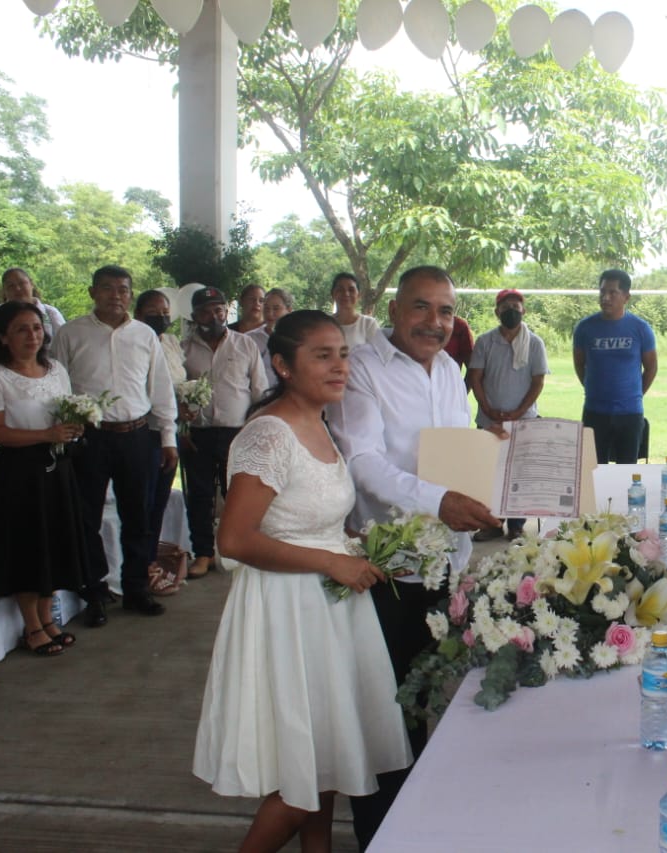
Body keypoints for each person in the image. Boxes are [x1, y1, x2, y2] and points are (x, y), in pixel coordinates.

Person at [193, 310, 412, 852]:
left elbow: (311, 518)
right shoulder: (269, 435)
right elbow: (234, 540)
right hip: (286, 610)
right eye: (322, 356)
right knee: (300, 776)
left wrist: (360, 547)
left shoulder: (321, 422)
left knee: (325, 761)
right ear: (283, 365)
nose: (340, 367)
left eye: (343, 354)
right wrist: (330, 562)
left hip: (328, 609)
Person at [328, 265, 499, 849]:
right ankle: (379, 836)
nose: (435, 321)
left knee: (425, 693)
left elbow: (457, 452)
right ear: (395, 311)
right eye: (422, 307)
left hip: (445, 562)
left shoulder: (449, 369)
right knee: (384, 708)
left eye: (446, 310)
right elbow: (363, 463)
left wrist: (495, 467)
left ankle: (418, 824)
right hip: (386, 567)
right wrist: (438, 500)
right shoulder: (362, 369)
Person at [52, 265, 177, 626]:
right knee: (87, 518)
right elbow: (57, 385)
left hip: (136, 436)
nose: (116, 296)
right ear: (93, 292)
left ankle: (136, 588)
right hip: (89, 438)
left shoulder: (144, 335)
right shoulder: (70, 333)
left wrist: (167, 437)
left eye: (123, 289)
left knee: (138, 516)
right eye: (107, 288)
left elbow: (160, 388)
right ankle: (94, 593)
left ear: (130, 295)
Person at [0, 302, 88, 656]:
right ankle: (31, 626)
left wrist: (74, 427)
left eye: (36, 327)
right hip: (19, 473)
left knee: (54, 542)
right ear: (3, 337)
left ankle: (48, 619)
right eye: (21, 329)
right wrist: (46, 435)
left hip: (57, 467)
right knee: (28, 547)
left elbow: (67, 409)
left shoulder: (56, 369)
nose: (32, 335)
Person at [179, 287, 268, 579]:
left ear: (226, 311)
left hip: (237, 433)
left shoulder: (245, 344)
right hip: (198, 434)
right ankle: (203, 554)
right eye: (206, 312)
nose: (214, 316)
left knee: (240, 496)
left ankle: (243, 551)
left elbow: (260, 391)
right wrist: (181, 415)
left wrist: (256, 429)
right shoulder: (183, 349)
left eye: (218, 310)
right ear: (194, 316)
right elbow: (173, 391)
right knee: (200, 497)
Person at [467, 288, 550, 541]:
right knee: (489, 475)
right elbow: (475, 377)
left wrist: (518, 412)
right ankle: (491, 524)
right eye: (505, 307)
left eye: (515, 307)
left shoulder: (534, 343)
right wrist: (488, 409)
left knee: (519, 476)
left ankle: (516, 526)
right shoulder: (485, 342)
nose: (511, 311)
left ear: (524, 310)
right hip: (489, 421)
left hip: (524, 421)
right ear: (497, 312)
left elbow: (538, 382)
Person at [573, 269, 658, 464]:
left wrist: (636, 394)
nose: (606, 298)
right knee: (594, 470)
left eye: (613, 293)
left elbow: (651, 368)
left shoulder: (640, 328)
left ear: (626, 297)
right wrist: (591, 388)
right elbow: (579, 363)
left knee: (627, 471)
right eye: (602, 292)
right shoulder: (585, 328)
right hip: (595, 412)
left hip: (630, 413)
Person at [134, 290, 185, 563]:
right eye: (154, 313)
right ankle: (139, 563)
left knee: (160, 502)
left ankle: (151, 559)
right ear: (139, 314)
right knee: (143, 502)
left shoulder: (172, 342)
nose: (161, 318)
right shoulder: (134, 342)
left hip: (171, 431)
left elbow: (180, 379)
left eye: (165, 313)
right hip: (145, 432)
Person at [0, 268, 65, 338]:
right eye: (11, 286)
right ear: (4, 290)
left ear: (31, 284)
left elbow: (64, 342)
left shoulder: (50, 313)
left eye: (22, 283)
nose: (17, 288)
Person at [245, 287, 292, 388]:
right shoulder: (248, 339)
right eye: (266, 308)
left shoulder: (297, 339)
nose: (270, 313)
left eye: (276, 308)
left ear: (289, 310)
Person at [330, 272, 381, 348]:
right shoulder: (324, 324)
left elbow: (380, 352)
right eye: (340, 290)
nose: (346, 294)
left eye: (351, 290)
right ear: (333, 294)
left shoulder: (368, 324)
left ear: (359, 295)